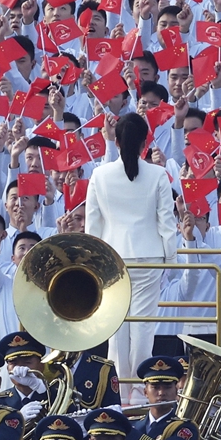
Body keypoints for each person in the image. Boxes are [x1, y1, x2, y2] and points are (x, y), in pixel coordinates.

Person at [85, 113, 177, 403]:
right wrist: (172, 260)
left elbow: (92, 226)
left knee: (116, 327)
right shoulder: (159, 174)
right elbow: (166, 222)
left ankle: (121, 392)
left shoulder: (99, 175)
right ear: (145, 142)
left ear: (116, 140)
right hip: (148, 257)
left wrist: (94, 263)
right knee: (142, 327)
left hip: (112, 258)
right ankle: (138, 390)